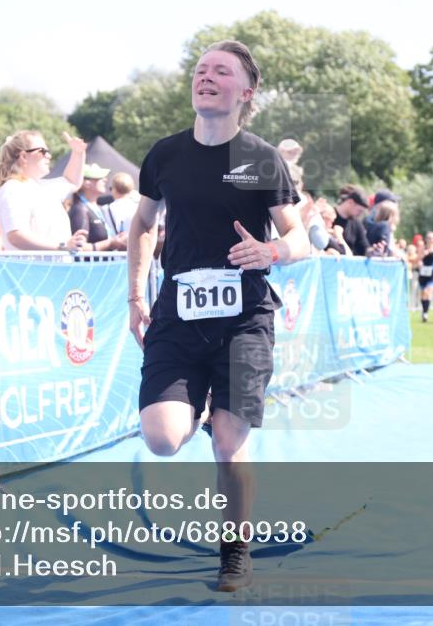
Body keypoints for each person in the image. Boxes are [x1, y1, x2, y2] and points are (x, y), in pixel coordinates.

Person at [126, 40, 309, 592]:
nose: (206, 76)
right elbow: (141, 226)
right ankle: (199, 405)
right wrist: (136, 297)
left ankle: (235, 551)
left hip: (243, 318)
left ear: (244, 92)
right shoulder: (165, 155)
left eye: (220, 71)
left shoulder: (259, 157)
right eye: (201, 69)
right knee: (162, 438)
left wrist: (270, 252)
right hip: (177, 314)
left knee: (229, 442)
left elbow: (298, 237)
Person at [0, 131, 89, 251]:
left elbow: (72, 181)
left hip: (51, 268)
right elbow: (16, 236)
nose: (49, 156)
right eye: (42, 151)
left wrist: (78, 153)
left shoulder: (42, 187)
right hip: (31, 269)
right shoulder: (12, 189)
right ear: (23, 157)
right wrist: (62, 246)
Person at [69, 163, 127, 252]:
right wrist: (110, 243)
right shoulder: (80, 209)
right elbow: (79, 247)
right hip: (91, 265)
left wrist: (117, 240)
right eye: (99, 178)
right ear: (86, 183)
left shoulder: (97, 208)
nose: (105, 180)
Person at [332, 185, 373, 256]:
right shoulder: (329, 215)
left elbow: (364, 247)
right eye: (359, 210)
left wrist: (374, 251)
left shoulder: (356, 223)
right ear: (350, 202)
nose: (360, 214)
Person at [412, 231, 433, 322]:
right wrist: (422, 257)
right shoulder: (422, 248)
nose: (430, 240)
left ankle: (425, 313)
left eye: (432, 238)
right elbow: (417, 259)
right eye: (428, 238)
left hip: (432, 273)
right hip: (423, 273)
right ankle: (424, 311)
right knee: (423, 294)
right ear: (426, 239)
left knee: (428, 292)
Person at [105, 172, 139, 238]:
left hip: (115, 246)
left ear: (114, 189)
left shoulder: (106, 209)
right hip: (134, 245)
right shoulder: (138, 208)